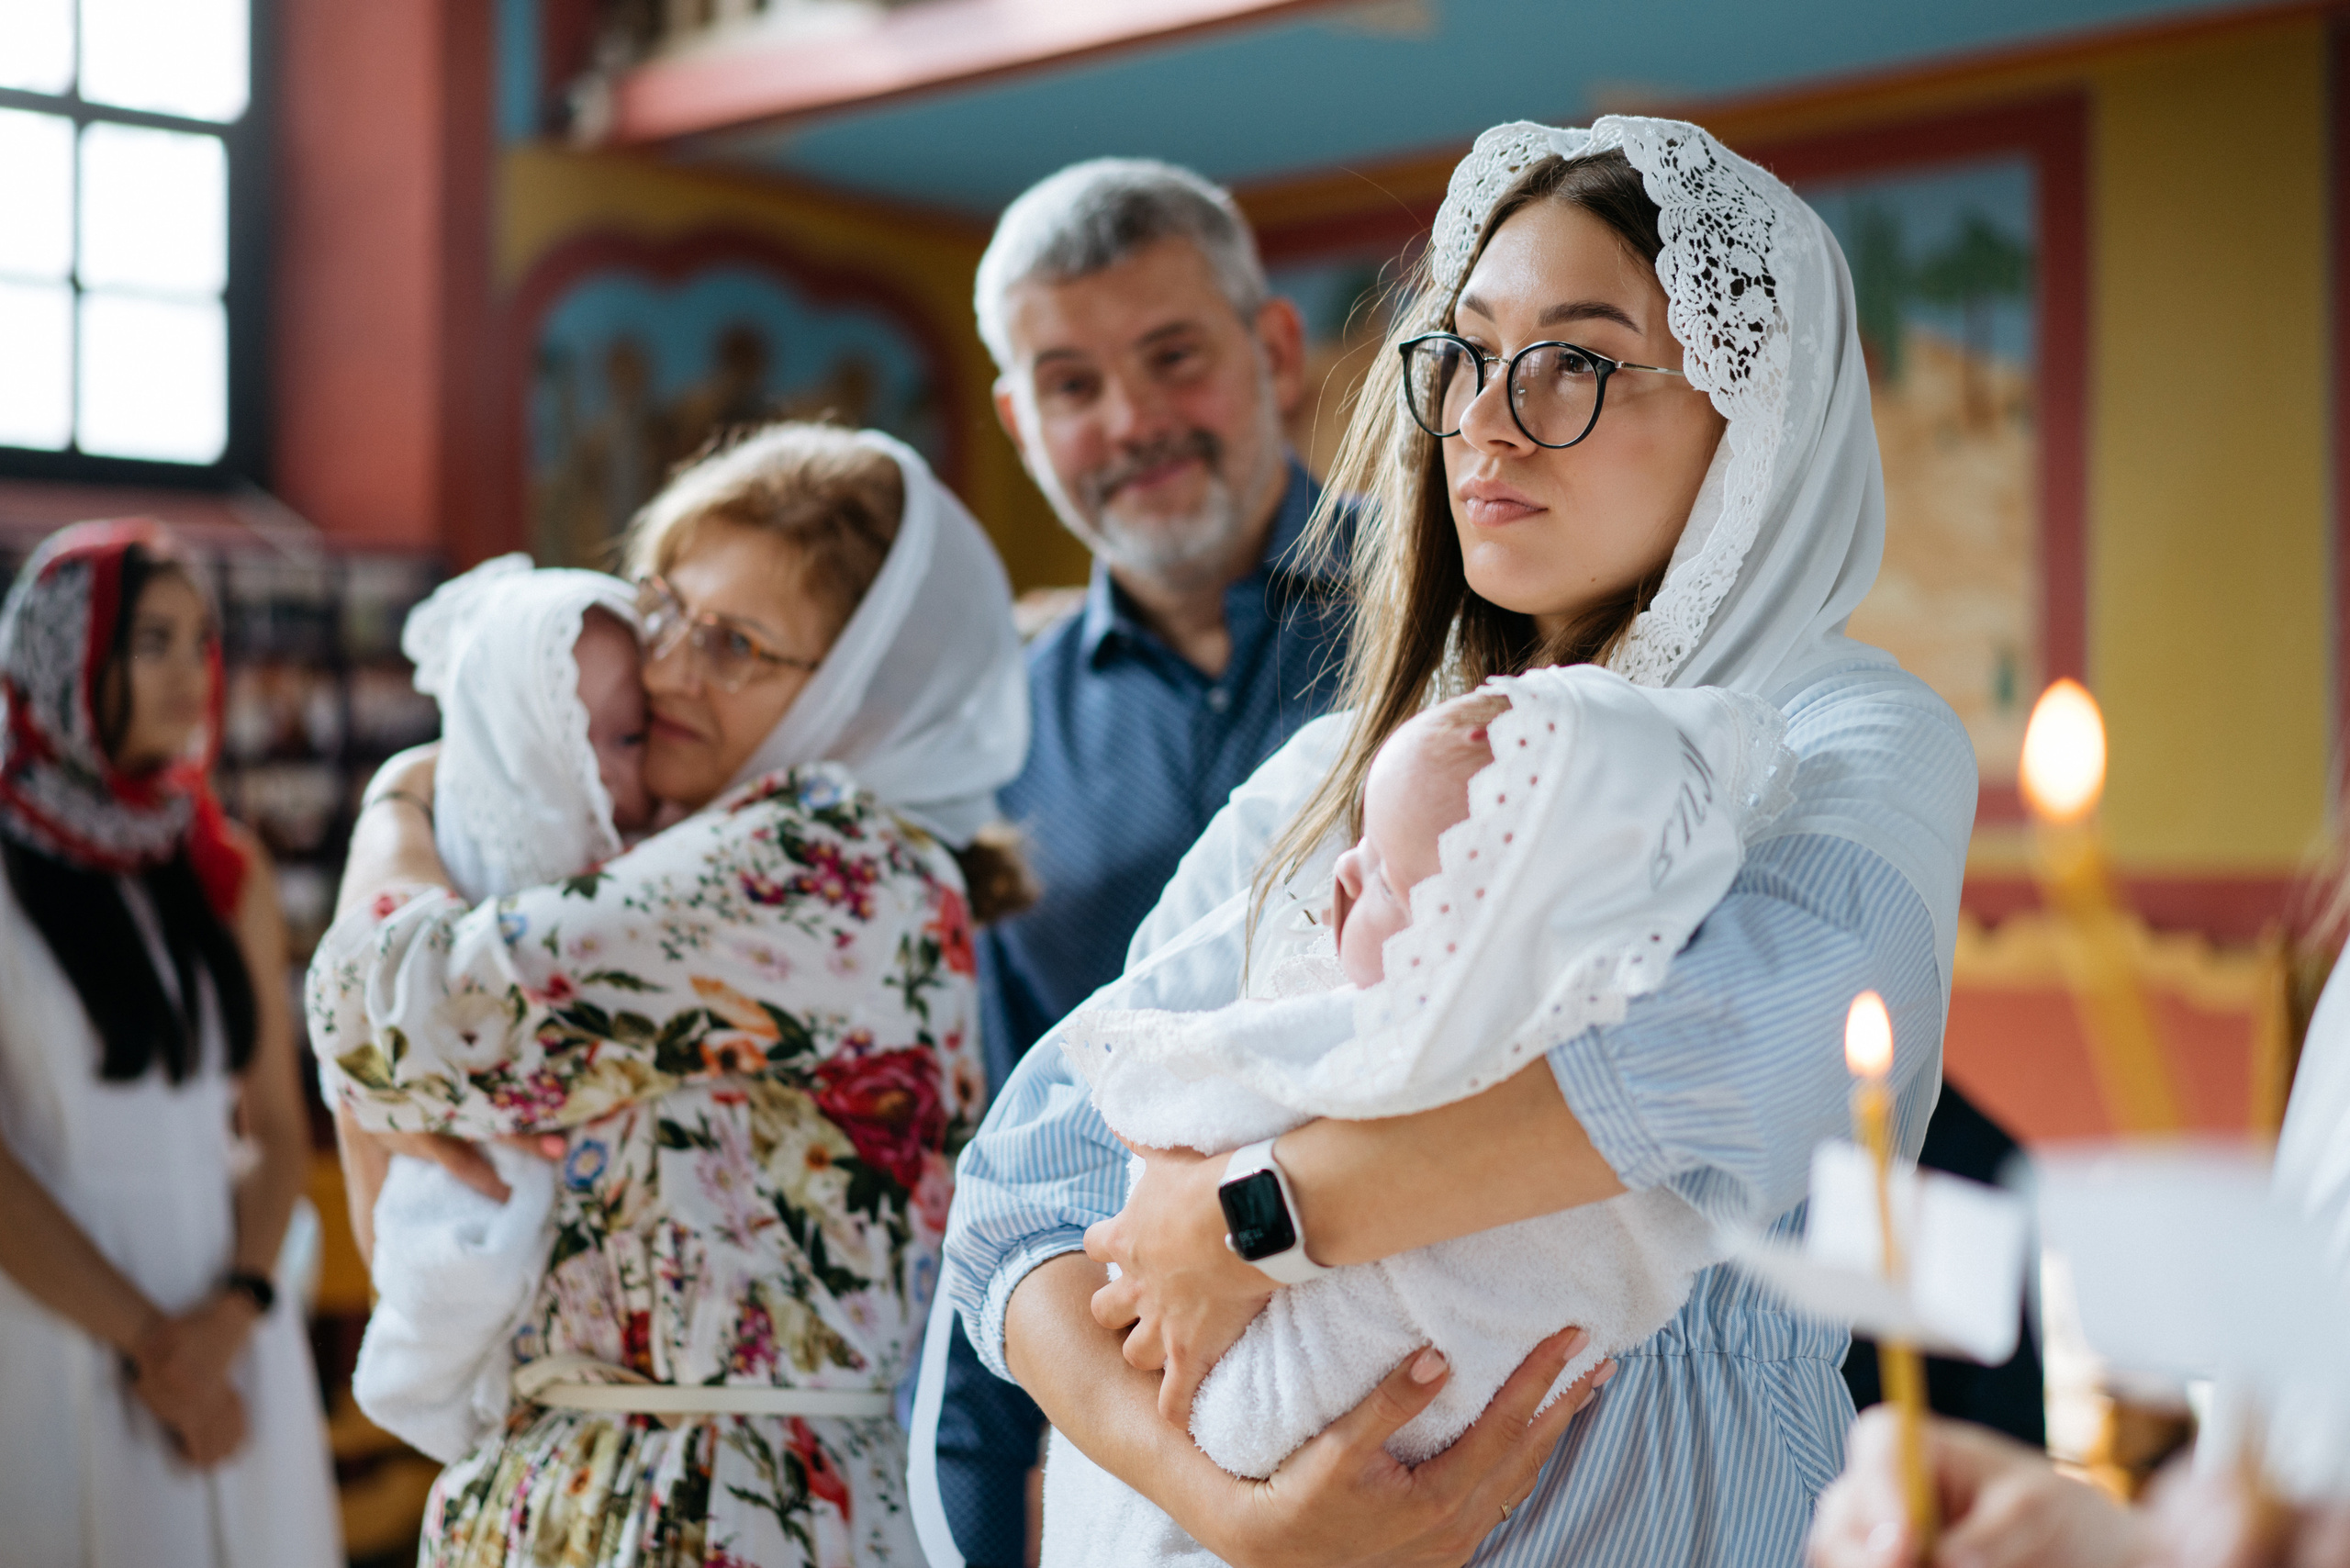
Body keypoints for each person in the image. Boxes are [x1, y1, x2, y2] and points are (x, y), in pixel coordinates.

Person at [946, 115, 1978, 1565]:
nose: (1487, 422)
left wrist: (1248, 1220)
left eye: (1575, 363)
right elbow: (1024, 1185)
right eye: (1468, 356)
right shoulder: (1350, 766)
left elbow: (1735, 1051)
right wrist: (1239, 1511)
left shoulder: (1845, 733)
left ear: (1755, 418)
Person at [311, 424, 1028, 1565]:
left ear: (861, 693)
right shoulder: (689, 861)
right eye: (667, 611)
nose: (672, 669)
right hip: (618, 1483)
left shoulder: (818, 858)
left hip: (702, 1508)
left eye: (735, 644)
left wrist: (400, 799)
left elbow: (388, 1017)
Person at [1046, 668, 1797, 1562]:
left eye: (1393, 886)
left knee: (1239, 1423)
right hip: (1439, 1415)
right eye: (1358, 847)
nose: (1343, 877)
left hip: (1321, 1396)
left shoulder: (1376, 1040)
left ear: (1485, 954)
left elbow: (1156, 1104)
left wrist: (1187, 1175)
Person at [932, 156, 1351, 1564]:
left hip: (1478, 1392)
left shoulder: (1470, 615)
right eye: (1071, 384)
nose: (1129, 422)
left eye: (1173, 357)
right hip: (1144, 1467)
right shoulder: (993, 746)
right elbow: (993, 1172)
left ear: (1273, 350)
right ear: (1020, 421)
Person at [0, 519, 338, 1566]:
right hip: (55, 1318)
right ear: (64, 655)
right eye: (152, 641)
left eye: (201, 641)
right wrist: (158, 1348)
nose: (192, 672)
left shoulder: (221, 864)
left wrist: (231, 1315)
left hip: (228, 1315)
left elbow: (275, 1125)